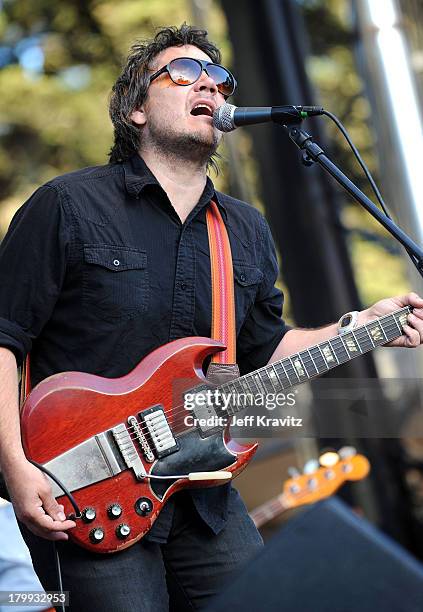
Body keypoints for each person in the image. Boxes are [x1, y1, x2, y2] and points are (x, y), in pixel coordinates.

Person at [0, 23, 422, 612]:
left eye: (219, 79)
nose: (211, 86)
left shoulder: (243, 231)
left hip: (204, 495)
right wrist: (15, 468)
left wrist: (362, 327)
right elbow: (4, 337)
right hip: (85, 487)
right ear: (136, 109)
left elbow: (265, 350)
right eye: (185, 73)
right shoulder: (68, 205)